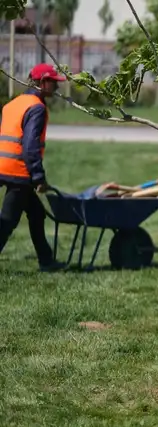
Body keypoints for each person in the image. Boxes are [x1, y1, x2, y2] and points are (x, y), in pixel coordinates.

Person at [0, 63, 66, 272]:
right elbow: (30, 146)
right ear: (41, 82)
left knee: (37, 214)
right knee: (8, 221)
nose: (56, 87)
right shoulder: (36, 108)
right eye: (53, 82)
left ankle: (46, 260)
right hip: (18, 170)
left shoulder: (13, 103)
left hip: (3, 165)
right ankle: (47, 261)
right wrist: (38, 177)